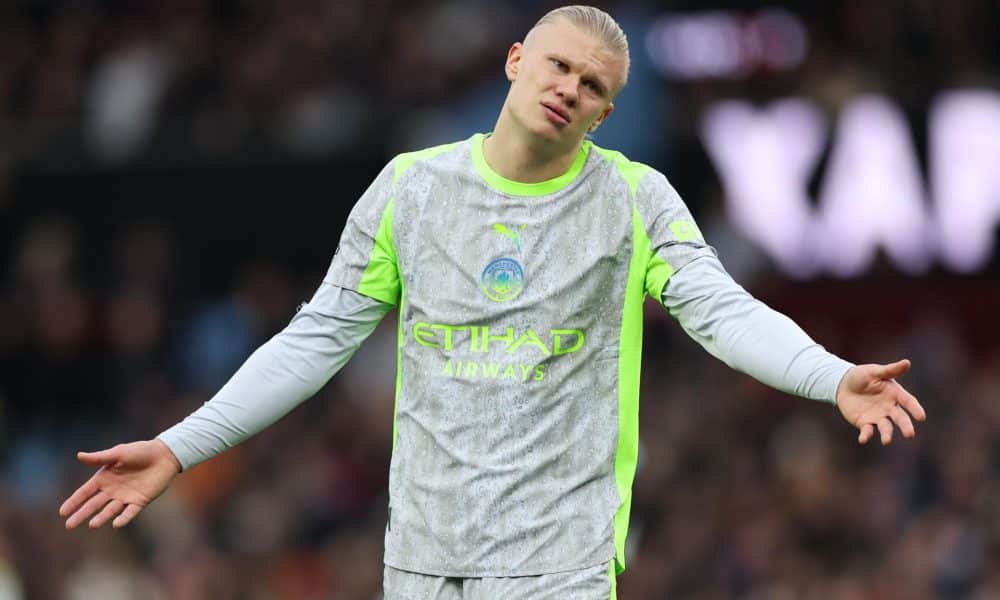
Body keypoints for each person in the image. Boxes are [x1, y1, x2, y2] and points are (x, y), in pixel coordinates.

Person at [59, 6, 926, 599]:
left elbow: (722, 311)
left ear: (604, 114)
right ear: (516, 61)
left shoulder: (635, 201)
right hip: (423, 563)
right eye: (559, 66)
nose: (570, 88)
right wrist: (179, 446)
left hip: (560, 563)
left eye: (593, 87)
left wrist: (830, 376)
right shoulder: (411, 189)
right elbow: (315, 339)